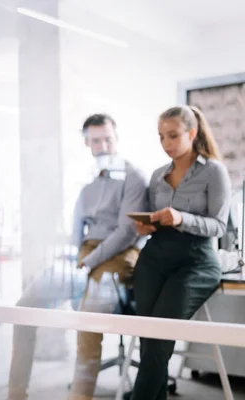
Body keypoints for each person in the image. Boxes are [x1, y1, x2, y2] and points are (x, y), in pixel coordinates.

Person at [7, 114, 148, 400]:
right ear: (87, 143)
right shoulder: (87, 182)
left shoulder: (133, 177)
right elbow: (75, 232)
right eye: (96, 140)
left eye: (108, 138)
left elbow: (127, 232)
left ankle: (80, 396)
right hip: (85, 256)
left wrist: (89, 261)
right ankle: (16, 392)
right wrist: (70, 262)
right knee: (24, 306)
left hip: (120, 254)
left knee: (88, 316)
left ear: (116, 138)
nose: (104, 145)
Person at [129, 105, 231, 400]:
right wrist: (146, 226)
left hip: (196, 263)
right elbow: (155, 218)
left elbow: (219, 226)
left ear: (192, 133)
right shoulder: (158, 175)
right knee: (149, 339)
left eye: (172, 136)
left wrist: (181, 218)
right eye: (161, 137)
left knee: (158, 340)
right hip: (154, 259)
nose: (166, 144)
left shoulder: (214, 171)